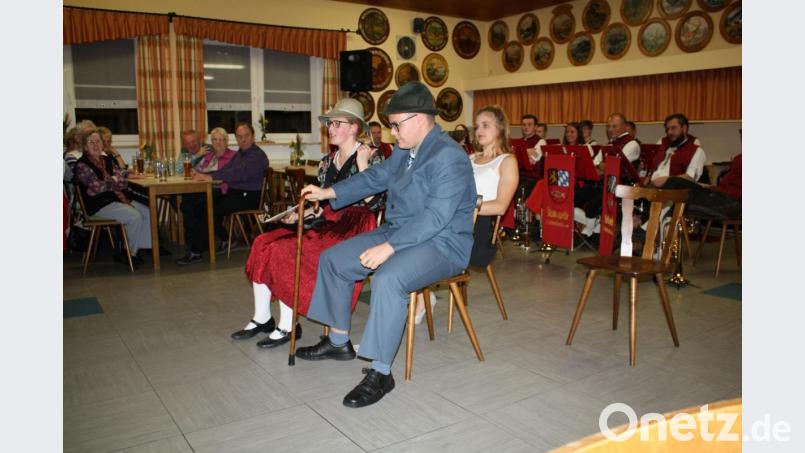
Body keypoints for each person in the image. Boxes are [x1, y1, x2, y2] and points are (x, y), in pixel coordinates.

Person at [294, 82, 476, 408]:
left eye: (396, 124)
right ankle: (337, 342)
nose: (392, 133)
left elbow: (436, 217)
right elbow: (374, 179)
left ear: (420, 118)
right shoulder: (407, 150)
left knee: (389, 277)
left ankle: (380, 372)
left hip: (443, 243)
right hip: (401, 230)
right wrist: (329, 193)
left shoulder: (449, 156)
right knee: (334, 259)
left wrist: (389, 248)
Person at [231, 98, 384, 347]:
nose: (330, 128)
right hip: (328, 223)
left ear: (354, 127)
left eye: (337, 123)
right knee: (263, 241)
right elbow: (322, 206)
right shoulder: (326, 163)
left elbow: (375, 204)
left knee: (286, 249)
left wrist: (363, 165)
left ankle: (289, 324)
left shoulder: (373, 157)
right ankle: (263, 317)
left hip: (355, 227)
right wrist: (301, 214)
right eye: (329, 123)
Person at [414, 105, 518, 319]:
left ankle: (423, 294)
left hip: (479, 224)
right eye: (477, 125)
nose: (479, 130)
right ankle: (422, 293)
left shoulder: (507, 161)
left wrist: (465, 205)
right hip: (456, 218)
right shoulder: (469, 158)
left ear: (500, 128)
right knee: (416, 229)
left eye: (485, 125)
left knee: (424, 237)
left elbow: (500, 206)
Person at [177, 123, 268, 264]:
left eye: (246, 136)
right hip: (235, 193)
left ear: (253, 136)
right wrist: (203, 175)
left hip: (248, 197)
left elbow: (238, 174)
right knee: (201, 205)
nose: (243, 140)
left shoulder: (257, 155)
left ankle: (196, 251)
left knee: (210, 208)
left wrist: (210, 177)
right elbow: (226, 171)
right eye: (239, 137)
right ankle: (200, 245)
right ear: (236, 138)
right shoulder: (240, 154)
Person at [74, 129, 151, 265]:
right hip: (98, 205)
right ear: (85, 146)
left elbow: (120, 180)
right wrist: (114, 180)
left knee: (147, 211)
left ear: (102, 145)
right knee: (134, 216)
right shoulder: (82, 165)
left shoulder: (107, 160)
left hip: (114, 198)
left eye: (98, 141)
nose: (96, 145)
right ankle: (128, 253)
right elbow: (97, 188)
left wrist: (112, 180)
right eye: (91, 142)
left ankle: (140, 248)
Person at [648, 113, 706, 187]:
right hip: (651, 190)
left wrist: (666, 180)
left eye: (673, 128)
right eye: (667, 129)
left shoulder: (696, 151)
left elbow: (690, 177)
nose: (669, 132)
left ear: (684, 128)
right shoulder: (664, 148)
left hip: (675, 194)